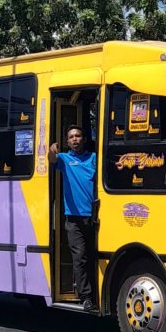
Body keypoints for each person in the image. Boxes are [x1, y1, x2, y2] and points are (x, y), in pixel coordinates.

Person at [48, 125, 97, 312]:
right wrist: (51, 151)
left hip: (94, 218)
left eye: (78, 136)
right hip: (73, 220)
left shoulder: (93, 158)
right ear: (67, 142)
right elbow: (52, 159)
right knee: (80, 259)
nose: (75, 139)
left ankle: (96, 295)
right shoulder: (65, 159)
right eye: (71, 137)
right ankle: (85, 298)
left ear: (84, 138)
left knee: (94, 258)